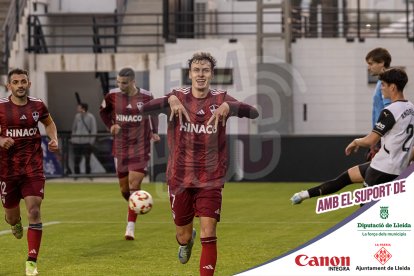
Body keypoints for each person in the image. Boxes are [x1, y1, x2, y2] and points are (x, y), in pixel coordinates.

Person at [142, 52, 259, 275]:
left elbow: (254, 113)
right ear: (190, 74)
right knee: (183, 235)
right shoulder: (177, 97)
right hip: (179, 178)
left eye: (205, 70)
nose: (201, 74)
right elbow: (143, 108)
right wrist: (169, 99)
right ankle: (186, 243)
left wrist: (230, 107)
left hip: (211, 178)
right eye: (197, 70)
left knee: (209, 230)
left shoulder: (222, 98)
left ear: (211, 74)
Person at [292, 67, 413, 203]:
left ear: (393, 87)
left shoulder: (390, 111)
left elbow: (370, 140)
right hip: (392, 166)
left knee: (365, 214)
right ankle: (304, 195)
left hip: (382, 169)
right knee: (345, 178)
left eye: (383, 85)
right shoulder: (411, 108)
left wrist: (356, 141)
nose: (381, 88)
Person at [0, 68, 59, 276]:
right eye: (15, 82)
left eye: (23, 81)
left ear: (29, 83)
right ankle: (14, 223)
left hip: (33, 168)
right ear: (9, 86)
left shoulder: (38, 105)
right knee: (11, 217)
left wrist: (53, 139)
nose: (20, 85)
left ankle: (31, 261)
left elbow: (49, 123)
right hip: (7, 171)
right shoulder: (1, 108)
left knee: (34, 211)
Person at [99, 67, 159, 240]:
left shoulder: (147, 96)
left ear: (133, 81)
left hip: (140, 147)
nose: (120, 85)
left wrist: (155, 131)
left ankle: (130, 227)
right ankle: (139, 203)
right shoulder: (112, 96)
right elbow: (103, 111)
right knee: (125, 190)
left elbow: (153, 114)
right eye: (118, 82)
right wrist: (111, 125)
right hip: (120, 148)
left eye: (124, 83)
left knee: (134, 186)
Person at [71, 102, 97, 175]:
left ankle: (88, 174)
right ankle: (76, 175)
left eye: (79, 107)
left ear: (83, 108)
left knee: (87, 159)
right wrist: (73, 139)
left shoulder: (91, 117)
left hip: (86, 142)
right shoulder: (77, 116)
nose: (77, 108)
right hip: (77, 141)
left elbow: (93, 130)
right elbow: (74, 128)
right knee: (76, 159)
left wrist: (91, 141)